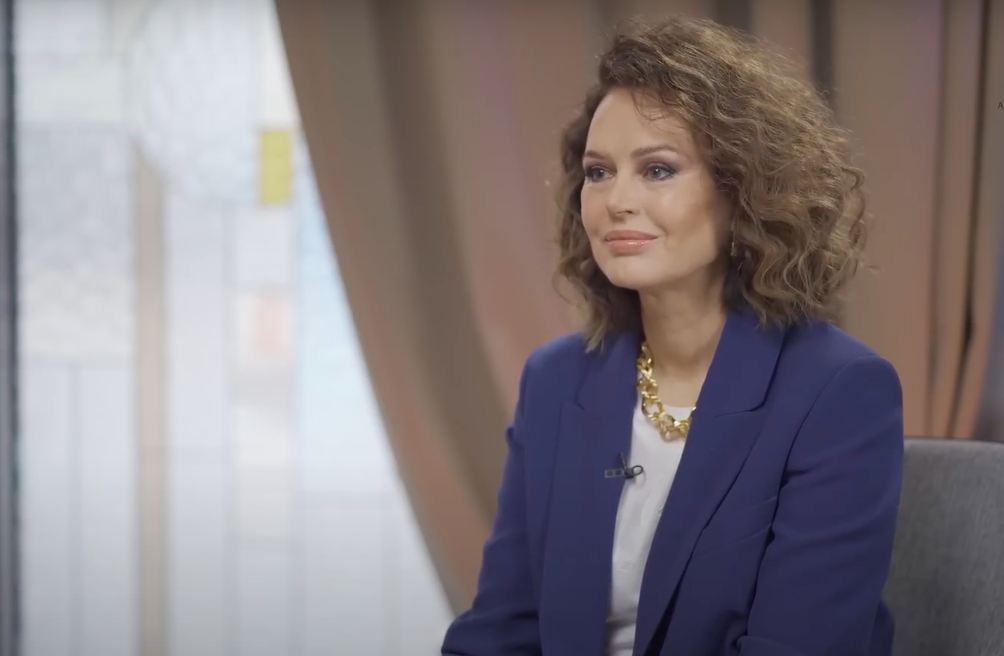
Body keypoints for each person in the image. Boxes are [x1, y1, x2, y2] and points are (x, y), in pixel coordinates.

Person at [441, 14, 904, 656]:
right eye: (598, 172)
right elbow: (500, 631)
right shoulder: (554, 381)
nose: (616, 201)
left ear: (742, 190)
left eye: (657, 170)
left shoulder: (840, 392)